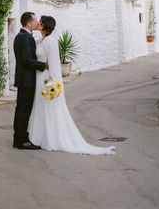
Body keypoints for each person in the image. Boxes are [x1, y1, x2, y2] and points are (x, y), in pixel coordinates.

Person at [28, 15, 115, 155]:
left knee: (49, 107)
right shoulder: (41, 40)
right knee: (40, 106)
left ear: (45, 26)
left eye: (41, 22)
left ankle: (51, 138)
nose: (38, 23)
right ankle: (40, 137)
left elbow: (54, 65)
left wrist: (53, 83)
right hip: (39, 77)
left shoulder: (50, 42)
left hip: (46, 78)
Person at [12, 12, 47, 149]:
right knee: (24, 110)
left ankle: (18, 139)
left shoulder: (20, 36)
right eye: (35, 20)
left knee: (20, 109)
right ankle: (22, 141)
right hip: (27, 80)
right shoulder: (25, 38)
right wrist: (43, 65)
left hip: (22, 79)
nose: (37, 22)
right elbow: (27, 60)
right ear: (28, 23)